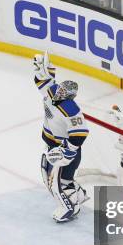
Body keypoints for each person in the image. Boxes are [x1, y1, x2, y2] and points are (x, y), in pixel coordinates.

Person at [34, 53, 89, 223]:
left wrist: (69, 150)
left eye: (63, 92)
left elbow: (81, 133)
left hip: (66, 151)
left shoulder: (71, 109)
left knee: (60, 183)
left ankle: (71, 208)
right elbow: (43, 81)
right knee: (52, 177)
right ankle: (79, 195)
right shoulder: (52, 92)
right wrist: (41, 70)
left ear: (69, 96)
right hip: (52, 146)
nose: (59, 92)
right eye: (60, 89)